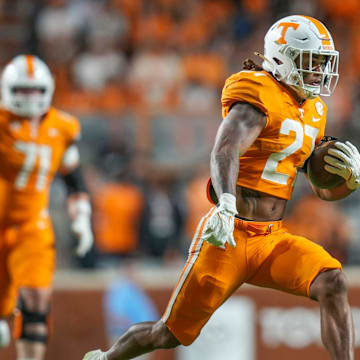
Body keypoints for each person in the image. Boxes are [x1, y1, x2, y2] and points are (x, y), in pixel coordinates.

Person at [83, 15, 357, 360]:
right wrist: (226, 204)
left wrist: (348, 181)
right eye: (310, 61)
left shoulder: (314, 109)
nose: (318, 71)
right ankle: (105, 358)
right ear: (282, 57)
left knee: (332, 281)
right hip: (228, 235)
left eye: (321, 62)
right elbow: (226, 148)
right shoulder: (258, 91)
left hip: (271, 238)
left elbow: (321, 189)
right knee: (168, 334)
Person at [0, 55, 93, 360]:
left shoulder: (62, 127)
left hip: (32, 225)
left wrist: (82, 220)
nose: (28, 98)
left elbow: (74, 181)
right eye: (22, 91)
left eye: (34, 90)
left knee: (37, 300)